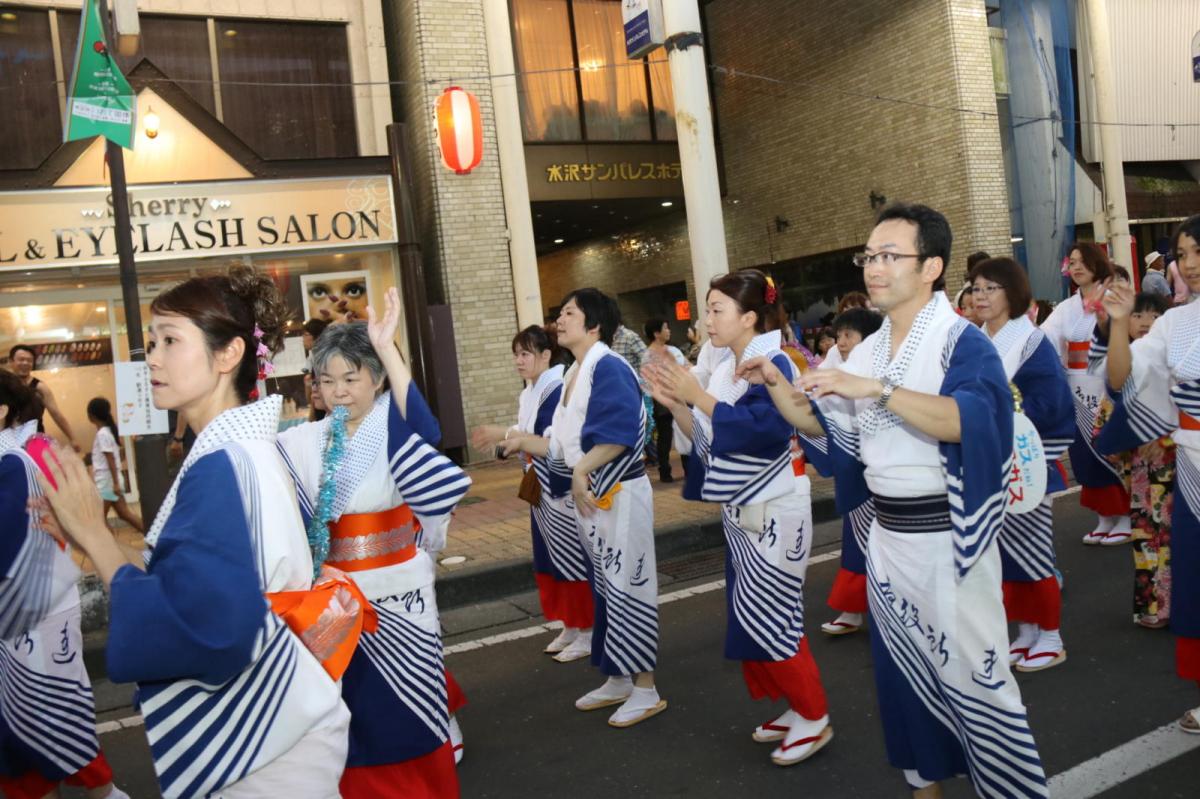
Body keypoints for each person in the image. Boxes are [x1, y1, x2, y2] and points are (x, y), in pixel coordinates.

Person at [741, 204, 1047, 797]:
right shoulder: (871, 349)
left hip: (947, 542)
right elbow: (832, 431)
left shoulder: (961, 342)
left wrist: (877, 389)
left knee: (981, 685)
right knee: (904, 681)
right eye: (869, 255)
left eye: (889, 255)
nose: (874, 267)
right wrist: (780, 386)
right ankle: (925, 786)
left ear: (931, 266)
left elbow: (971, 423)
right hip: (888, 540)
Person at [35, 265, 352, 798]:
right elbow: (189, 586)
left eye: (170, 340)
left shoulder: (223, 462)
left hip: (262, 740)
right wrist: (94, 535)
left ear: (228, 355)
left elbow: (200, 623)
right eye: (152, 341)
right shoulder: (241, 449)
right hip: (282, 723)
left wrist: (93, 535)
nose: (152, 357)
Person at [277, 292, 473, 793]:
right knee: (349, 709)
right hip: (336, 597)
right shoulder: (304, 440)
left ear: (376, 379)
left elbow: (428, 431)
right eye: (327, 381)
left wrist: (387, 347)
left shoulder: (393, 426)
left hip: (396, 594)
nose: (340, 392)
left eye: (351, 378)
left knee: (406, 705)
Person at [645, 269, 833, 767]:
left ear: (749, 317)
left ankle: (814, 714)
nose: (706, 319)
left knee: (773, 616)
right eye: (707, 309)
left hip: (773, 509)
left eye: (716, 310)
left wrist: (694, 397)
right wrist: (676, 402)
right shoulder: (735, 364)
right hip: (748, 509)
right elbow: (712, 436)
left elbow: (758, 432)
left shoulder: (774, 363)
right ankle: (798, 707)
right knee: (756, 614)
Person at [503, 288, 666, 728]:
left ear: (594, 324)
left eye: (569, 312)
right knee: (606, 587)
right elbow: (558, 444)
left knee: (629, 587)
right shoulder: (578, 370)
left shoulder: (608, 366)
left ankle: (646, 688)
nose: (560, 319)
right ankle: (618, 677)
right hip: (593, 497)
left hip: (617, 493)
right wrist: (518, 441)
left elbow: (618, 435)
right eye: (560, 312)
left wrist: (581, 471)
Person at [1094, 214, 1200, 735]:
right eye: (1184, 254)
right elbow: (1122, 379)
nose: (1192, 263)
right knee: (1196, 580)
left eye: (1199, 251)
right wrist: (1118, 322)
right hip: (1192, 465)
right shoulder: (1175, 323)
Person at [0, 373, 129, 799]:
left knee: (51, 711)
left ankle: (104, 791)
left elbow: (10, 540)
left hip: (33, 609)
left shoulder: (14, 461)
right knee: (27, 721)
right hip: (25, 607)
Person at [970, 257, 1074, 672]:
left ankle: (1051, 634)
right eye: (976, 287)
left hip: (1024, 463)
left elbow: (1052, 403)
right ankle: (1027, 631)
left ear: (1012, 294)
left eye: (990, 288)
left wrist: (1003, 411)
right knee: (1004, 555)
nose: (980, 295)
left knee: (1032, 552)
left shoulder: (1030, 342)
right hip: (987, 460)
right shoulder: (973, 339)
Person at [471, 326, 595, 662]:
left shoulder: (555, 387)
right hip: (540, 483)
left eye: (525, 354)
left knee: (569, 557)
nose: (518, 361)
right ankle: (572, 624)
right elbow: (530, 435)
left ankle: (587, 629)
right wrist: (509, 438)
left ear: (545, 355)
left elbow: (548, 441)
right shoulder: (534, 389)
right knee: (550, 557)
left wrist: (508, 437)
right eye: (516, 354)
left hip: (558, 484)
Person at [1093, 291, 1174, 629]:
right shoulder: (1126, 356)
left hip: (1179, 456)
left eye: (1154, 316)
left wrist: (1167, 437)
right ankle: (1153, 606)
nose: (1146, 323)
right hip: (1143, 464)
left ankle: (1172, 604)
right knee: (1147, 536)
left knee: (1172, 536)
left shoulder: (1177, 353)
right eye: (1138, 316)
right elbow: (1112, 395)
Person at [1040, 242, 1130, 544]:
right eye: (1072, 263)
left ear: (1096, 263)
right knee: (1083, 451)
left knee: (1112, 449)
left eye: (1081, 262)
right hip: (1075, 385)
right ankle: (1105, 516)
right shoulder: (1066, 308)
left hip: (1107, 380)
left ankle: (1127, 516)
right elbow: (1046, 339)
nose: (1075, 268)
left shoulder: (1113, 298)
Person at [814, 306, 883, 635]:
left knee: (882, 539)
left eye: (847, 335)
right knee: (857, 533)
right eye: (837, 335)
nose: (839, 342)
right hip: (852, 459)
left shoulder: (883, 360)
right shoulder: (834, 361)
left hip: (882, 461)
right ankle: (853, 608)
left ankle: (879, 607)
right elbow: (816, 403)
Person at [85, 397, 144, 534]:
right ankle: (152, 538)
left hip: (107, 482)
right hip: (111, 480)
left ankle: (110, 549)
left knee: (99, 519)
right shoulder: (108, 432)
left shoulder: (102, 434)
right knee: (124, 514)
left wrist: (115, 483)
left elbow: (110, 458)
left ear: (91, 416)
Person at [7, 345, 80, 451]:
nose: (25, 363)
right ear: (11, 361)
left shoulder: (40, 387)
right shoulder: (5, 385)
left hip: (35, 442)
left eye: (29, 360)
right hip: (10, 442)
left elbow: (56, 414)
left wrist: (72, 438)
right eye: (21, 359)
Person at [644, 318, 687, 482]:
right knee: (665, 437)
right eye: (665, 327)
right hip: (662, 402)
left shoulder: (673, 350)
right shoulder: (649, 354)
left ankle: (688, 467)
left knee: (684, 433)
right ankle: (664, 471)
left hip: (678, 397)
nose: (668, 331)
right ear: (656, 333)